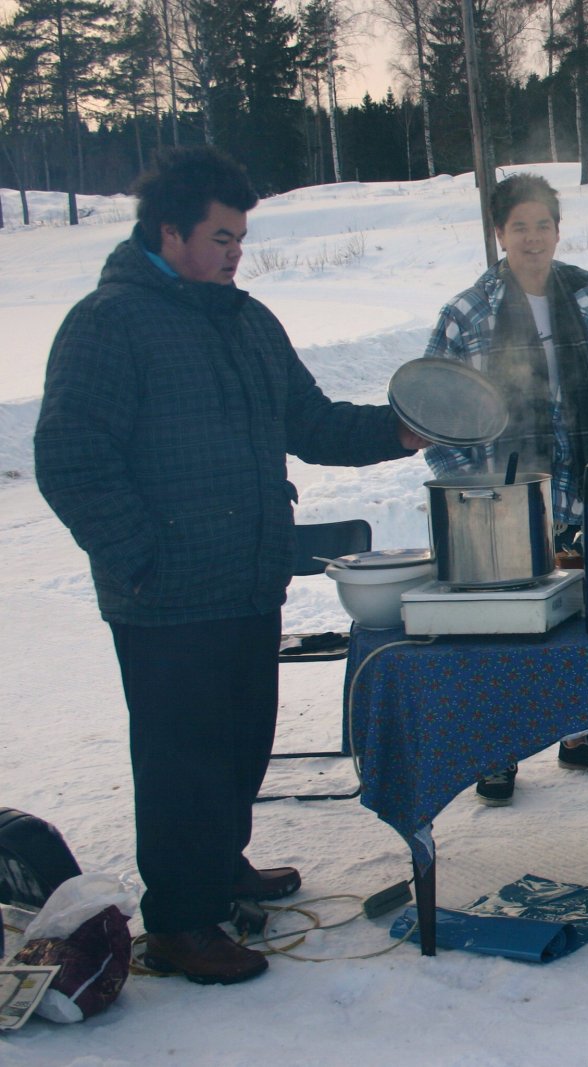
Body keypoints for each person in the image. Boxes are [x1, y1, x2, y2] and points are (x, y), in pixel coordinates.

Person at [33, 146, 428, 986]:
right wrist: (140, 554)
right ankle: (181, 919)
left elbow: (311, 420)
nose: (234, 252)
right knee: (182, 755)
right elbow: (70, 457)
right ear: (169, 232)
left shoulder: (246, 320)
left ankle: (220, 866)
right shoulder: (108, 323)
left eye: (241, 237)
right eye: (220, 237)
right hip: (164, 595)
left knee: (241, 738)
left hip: (247, 578)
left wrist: (395, 430)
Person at [421, 172, 588, 805]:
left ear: (557, 229)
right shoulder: (467, 313)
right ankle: (498, 748)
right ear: (499, 233)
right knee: (505, 630)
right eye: (519, 225)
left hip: (584, 487)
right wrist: (470, 489)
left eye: (543, 224)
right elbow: (433, 408)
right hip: (503, 496)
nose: (533, 237)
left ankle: (582, 734)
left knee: (584, 619)